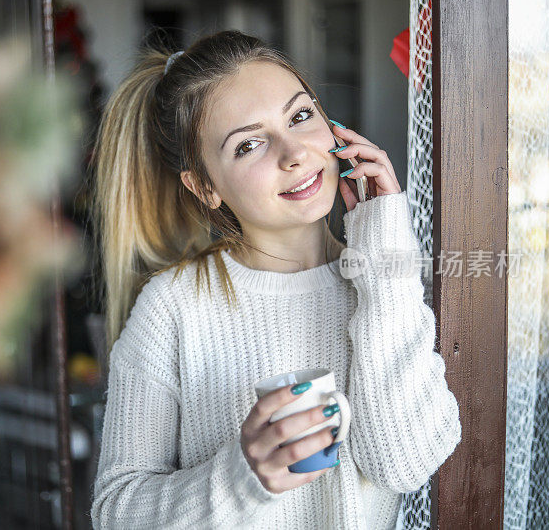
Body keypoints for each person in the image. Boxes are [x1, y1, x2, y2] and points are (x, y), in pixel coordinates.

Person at [88, 30, 461, 529]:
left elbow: (402, 464)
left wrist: (386, 251)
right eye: (249, 144)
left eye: (301, 116)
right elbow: (116, 513)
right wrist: (245, 478)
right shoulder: (172, 308)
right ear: (205, 186)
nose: (295, 153)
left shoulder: (386, 283)